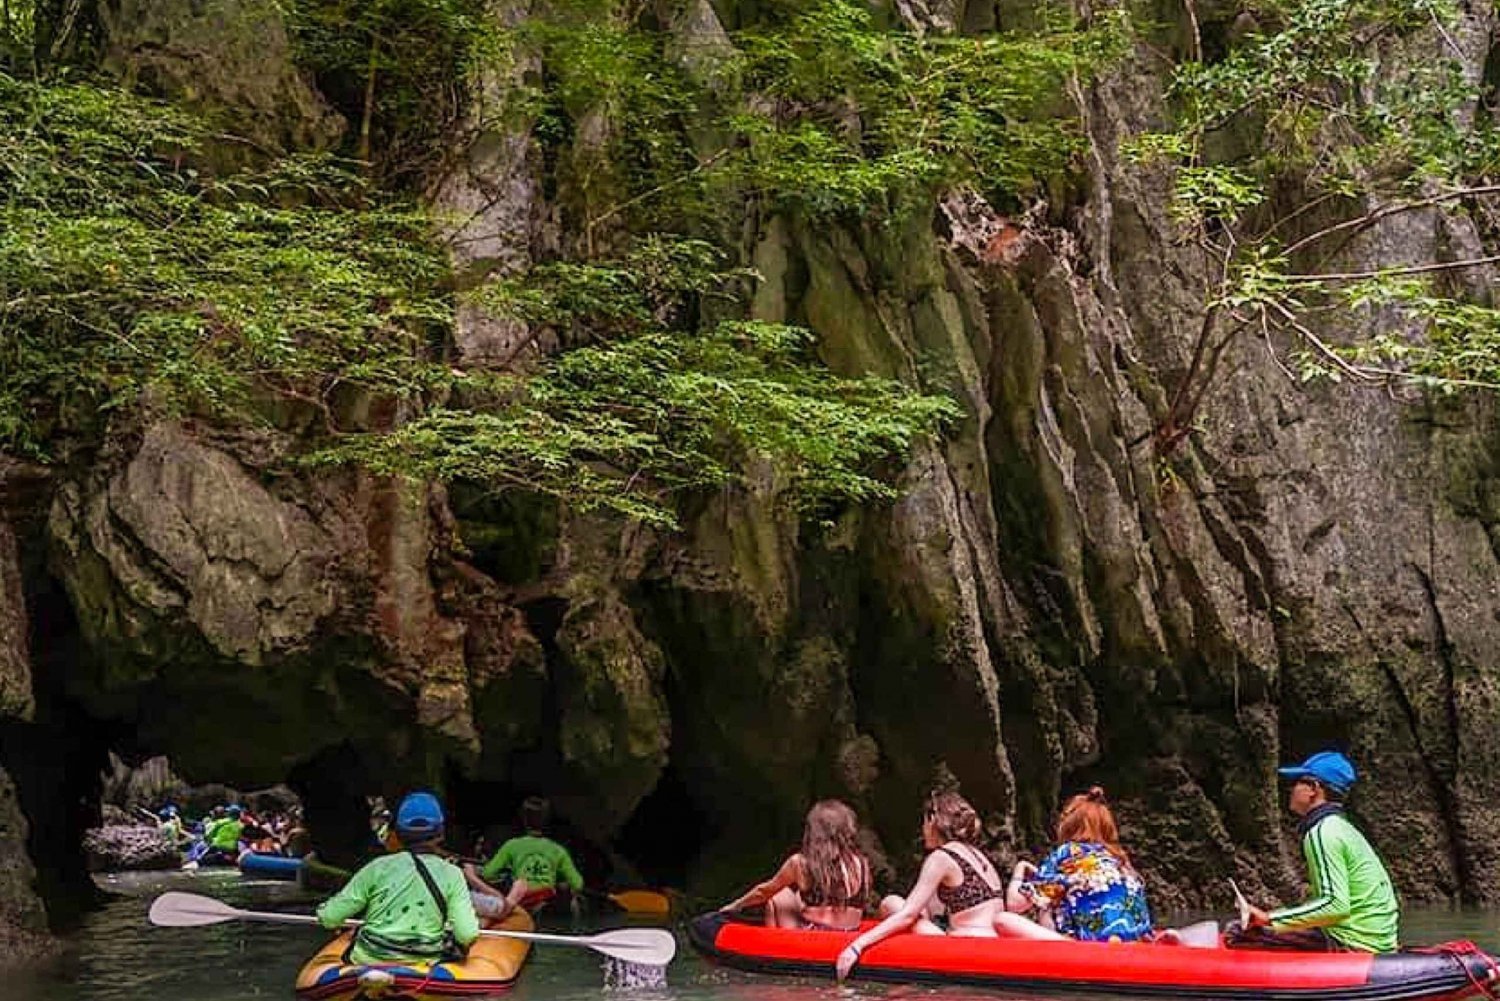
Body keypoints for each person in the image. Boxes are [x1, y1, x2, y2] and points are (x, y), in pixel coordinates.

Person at [836, 791, 1054, 981]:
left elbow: (908, 915)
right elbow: (938, 908)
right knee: (899, 906)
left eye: (924, 822)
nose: (922, 830)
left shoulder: (942, 857)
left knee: (891, 903)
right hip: (989, 938)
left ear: (932, 821)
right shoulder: (977, 855)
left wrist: (858, 945)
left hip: (967, 946)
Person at [1231, 751, 1399, 953]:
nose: (1291, 789)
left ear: (1313, 789)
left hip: (1353, 942)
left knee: (1236, 933)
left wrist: (1268, 918)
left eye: (1296, 782)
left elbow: (1336, 906)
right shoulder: (1344, 828)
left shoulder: (1322, 833)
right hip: (1373, 938)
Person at [316, 792, 480, 965]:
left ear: (399, 833)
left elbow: (330, 918)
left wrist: (323, 910)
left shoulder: (377, 867)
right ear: (440, 833)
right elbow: (466, 934)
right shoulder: (452, 874)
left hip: (368, 959)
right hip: (423, 961)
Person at [1005, 786, 1153, 942]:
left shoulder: (1068, 854)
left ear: (1067, 823)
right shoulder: (1120, 859)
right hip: (1135, 944)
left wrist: (1020, 869)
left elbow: (1015, 904)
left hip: (1091, 947)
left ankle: (1067, 943)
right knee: (1053, 902)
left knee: (1004, 920)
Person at [720, 799, 871, 930]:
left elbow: (763, 892)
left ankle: (771, 953)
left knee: (779, 895)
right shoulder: (861, 863)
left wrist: (735, 906)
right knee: (797, 897)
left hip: (815, 935)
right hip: (849, 933)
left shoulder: (800, 863)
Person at [464, 796, 584, 920]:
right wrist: (559, 877)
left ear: (523, 819)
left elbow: (488, 874)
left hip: (525, 904)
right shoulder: (558, 850)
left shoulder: (512, 846)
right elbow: (577, 883)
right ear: (547, 820)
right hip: (549, 901)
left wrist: (472, 870)